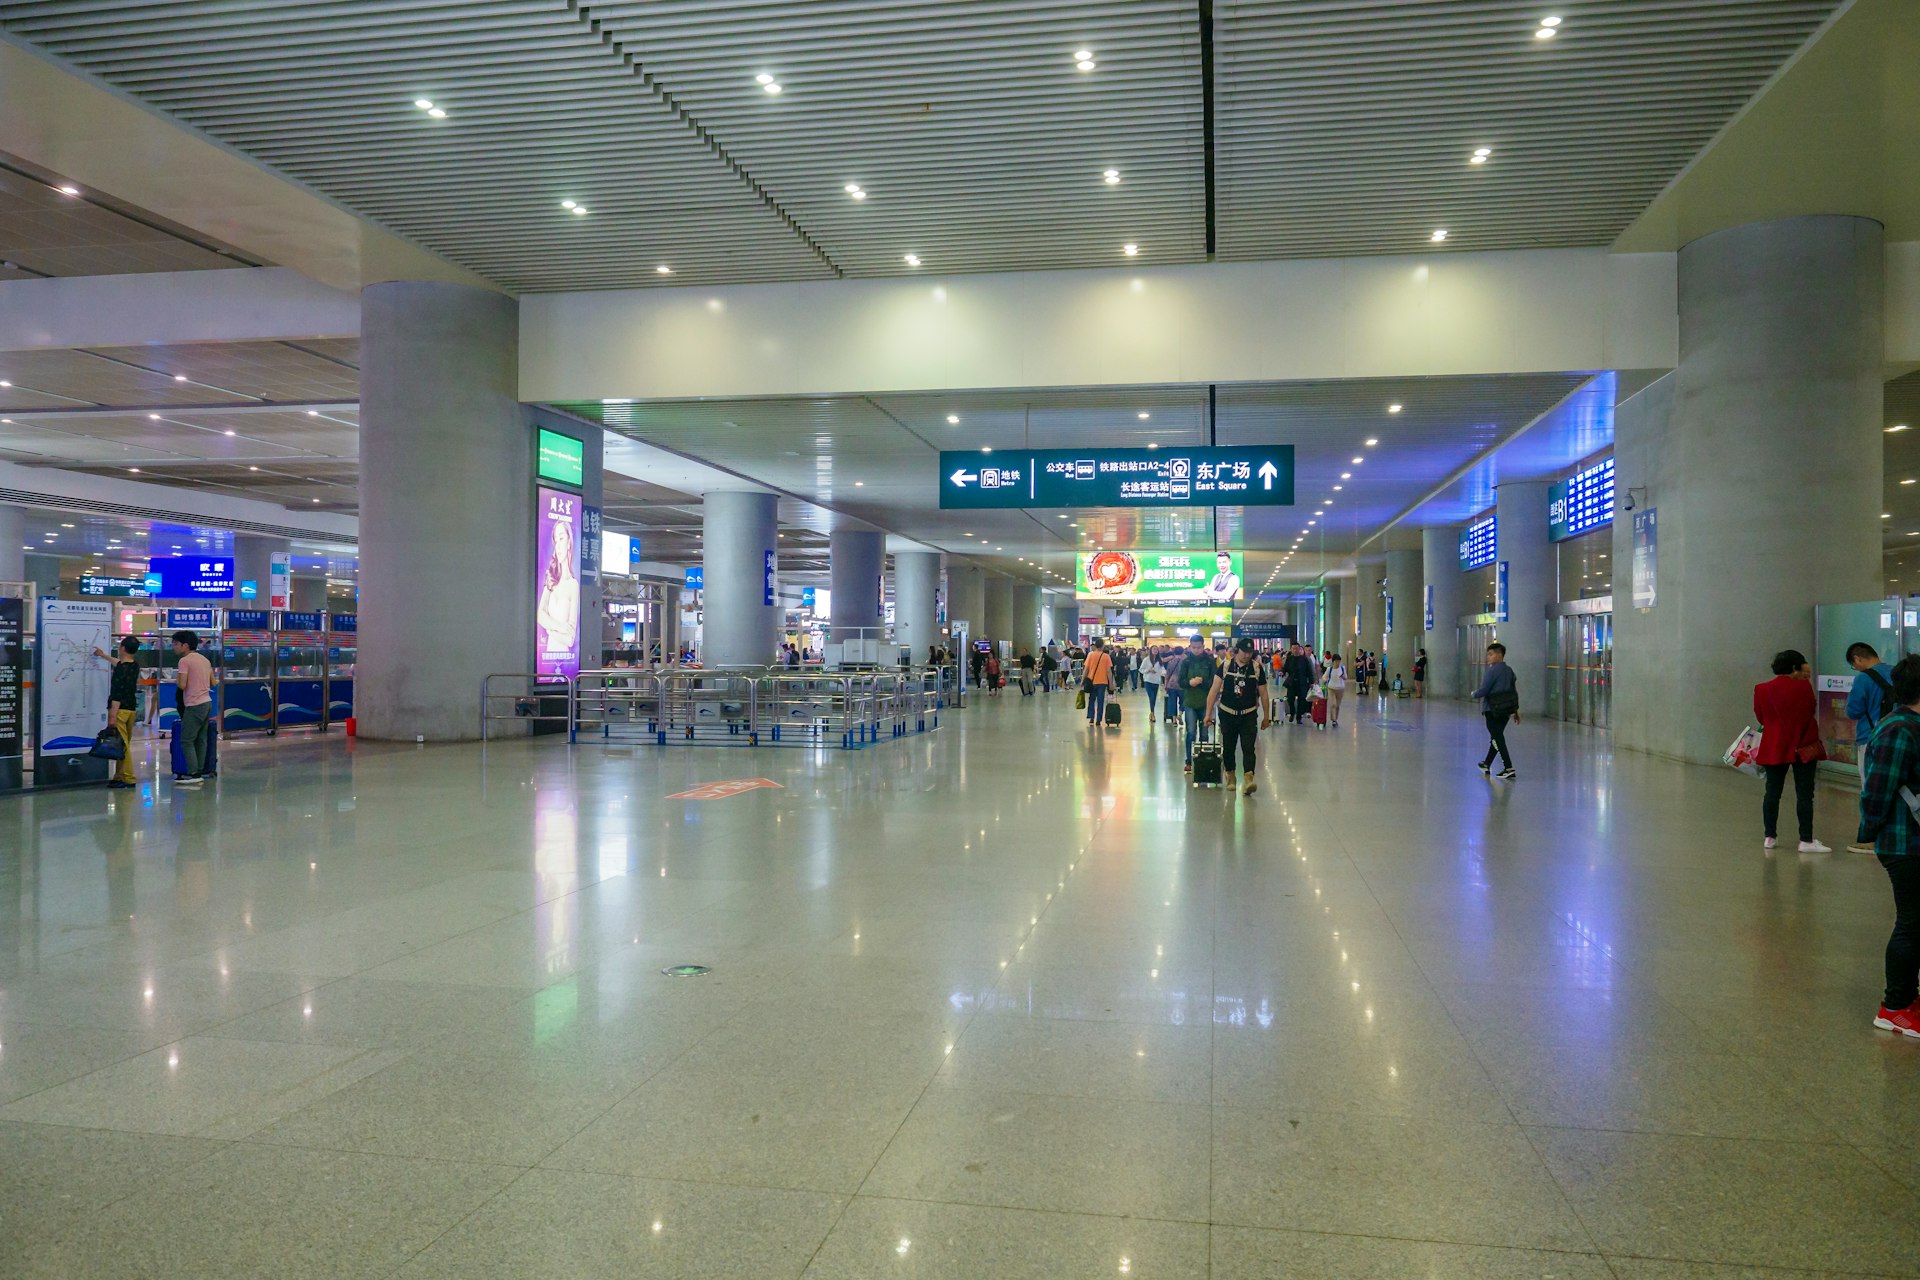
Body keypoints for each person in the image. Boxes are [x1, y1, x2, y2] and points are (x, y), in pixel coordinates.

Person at [1856, 654, 1920, 1037]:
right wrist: (1870, 831)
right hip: (1903, 842)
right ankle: (1894, 1006)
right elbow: (1876, 790)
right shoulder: (1899, 728)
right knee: (1912, 923)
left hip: (1912, 839)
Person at [1754, 648, 1828, 852]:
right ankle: (1806, 840)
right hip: (1803, 745)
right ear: (1796, 667)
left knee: (1772, 792)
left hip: (1774, 746)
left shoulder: (1761, 689)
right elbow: (1810, 711)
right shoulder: (1803, 687)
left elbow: (1761, 718)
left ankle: (1769, 837)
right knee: (1804, 794)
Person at [1848, 641, 1898, 852]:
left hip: (1871, 738)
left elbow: (1853, 711)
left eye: (1853, 664)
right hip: (1900, 734)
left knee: (1871, 787)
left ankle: (1870, 838)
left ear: (1858, 658)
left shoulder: (1863, 679)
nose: (1855, 668)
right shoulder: (1898, 672)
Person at [1209, 638, 1272, 795]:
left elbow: (1264, 694)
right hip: (1227, 714)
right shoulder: (1225, 666)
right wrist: (1207, 713)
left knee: (1248, 747)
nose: (1247, 655)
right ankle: (1230, 775)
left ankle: (1248, 779)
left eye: (1250, 652)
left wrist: (1266, 716)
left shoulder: (1257, 668)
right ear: (1237, 650)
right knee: (1229, 747)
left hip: (1248, 714)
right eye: (1244, 651)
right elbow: (1213, 690)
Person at [1469, 641, 1519, 780]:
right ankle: (1487, 763)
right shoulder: (1509, 671)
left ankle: (1508, 767)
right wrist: (1515, 710)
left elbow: (1485, 690)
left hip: (1492, 710)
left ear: (1499, 655)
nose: (1488, 658)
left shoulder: (1492, 671)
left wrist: (1473, 694)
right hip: (1506, 710)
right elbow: (1513, 692)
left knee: (1497, 738)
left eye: (1491, 654)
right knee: (1496, 737)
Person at [172, 630, 214, 787]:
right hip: (207, 703)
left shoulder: (185, 661)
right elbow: (213, 683)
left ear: (185, 645)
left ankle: (193, 773)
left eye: (176, 644)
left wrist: (177, 678)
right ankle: (199, 771)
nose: (173, 647)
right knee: (201, 739)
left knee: (187, 740)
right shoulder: (204, 660)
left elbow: (182, 685)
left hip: (194, 705)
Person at [98, 636, 141, 789]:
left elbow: (117, 694)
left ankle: (129, 778)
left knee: (123, 746)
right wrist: (103, 656)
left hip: (120, 710)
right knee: (122, 743)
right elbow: (119, 663)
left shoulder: (121, 670)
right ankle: (119, 775)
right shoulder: (134, 666)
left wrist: (113, 715)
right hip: (131, 709)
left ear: (122, 648)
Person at [1174, 634, 1219, 770]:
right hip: (1190, 703)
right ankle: (1189, 761)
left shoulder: (1210, 662)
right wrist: (1190, 682)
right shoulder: (1186, 662)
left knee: (1204, 734)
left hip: (1206, 703)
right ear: (1190, 647)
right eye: (1194, 648)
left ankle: (1202, 760)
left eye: (1199, 647)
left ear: (1203, 646)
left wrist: (1202, 682)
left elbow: (1215, 682)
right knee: (1191, 732)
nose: (1197, 650)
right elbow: (1180, 682)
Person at [1082, 638, 1115, 725]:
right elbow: (1109, 672)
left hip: (1091, 681)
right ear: (1103, 646)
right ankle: (1098, 720)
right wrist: (1111, 684)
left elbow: (1086, 669)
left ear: (1095, 646)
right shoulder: (1106, 656)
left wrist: (1082, 681)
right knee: (1100, 701)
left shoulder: (1090, 655)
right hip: (1102, 682)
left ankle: (1091, 717)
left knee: (1092, 699)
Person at [1281, 643, 1315, 725]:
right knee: (1290, 699)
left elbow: (1309, 671)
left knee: (1301, 700)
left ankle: (1298, 717)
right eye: (1293, 649)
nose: (1295, 650)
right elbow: (1285, 668)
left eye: (1297, 648)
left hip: (1302, 682)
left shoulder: (1304, 659)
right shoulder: (1289, 659)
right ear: (1291, 649)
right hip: (1292, 683)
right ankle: (1292, 713)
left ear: (1299, 649)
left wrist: (1311, 682)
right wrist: (1282, 672)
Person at [1324, 651, 1347, 728]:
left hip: (1340, 689)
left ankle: (1336, 719)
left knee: (1337, 705)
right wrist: (1325, 680)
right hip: (1331, 688)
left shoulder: (1342, 668)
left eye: (1339, 661)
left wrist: (1343, 676)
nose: (1338, 663)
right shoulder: (1329, 669)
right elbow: (1324, 677)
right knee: (1333, 704)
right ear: (1333, 661)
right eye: (1336, 661)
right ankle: (1333, 719)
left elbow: (1346, 678)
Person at [1140, 645, 1163, 719]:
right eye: (1154, 649)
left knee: (1154, 698)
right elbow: (1141, 669)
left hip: (1156, 681)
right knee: (1151, 697)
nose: (1155, 650)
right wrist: (1148, 670)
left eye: (1157, 649)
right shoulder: (1146, 659)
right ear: (1151, 650)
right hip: (1148, 680)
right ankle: (1152, 713)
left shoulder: (1159, 660)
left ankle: (1152, 712)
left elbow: (1162, 670)